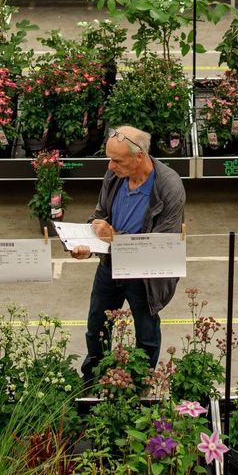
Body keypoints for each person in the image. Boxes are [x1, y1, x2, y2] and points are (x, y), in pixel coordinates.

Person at [71, 126, 185, 386]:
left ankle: (143, 381)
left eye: (117, 160)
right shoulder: (115, 176)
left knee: (146, 331)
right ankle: (92, 379)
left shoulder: (169, 187)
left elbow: (162, 245)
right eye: (109, 159)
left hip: (143, 274)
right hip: (110, 264)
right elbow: (99, 215)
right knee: (97, 326)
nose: (110, 166)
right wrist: (87, 244)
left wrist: (114, 237)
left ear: (140, 156)